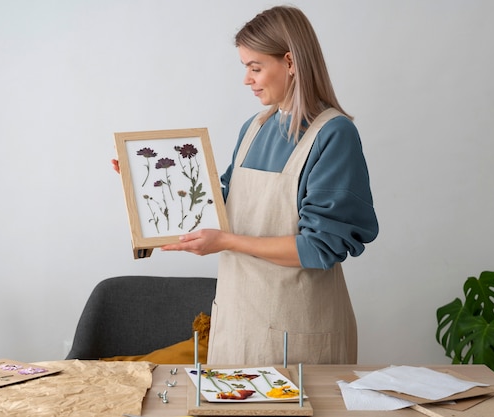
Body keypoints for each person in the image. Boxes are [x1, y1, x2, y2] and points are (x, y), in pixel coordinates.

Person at [113, 5, 378, 365]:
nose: (247, 80)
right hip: (237, 324)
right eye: (246, 69)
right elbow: (220, 203)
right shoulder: (255, 127)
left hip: (298, 331)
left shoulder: (334, 135)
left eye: (255, 68)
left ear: (290, 62)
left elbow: (319, 247)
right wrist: (151, 185)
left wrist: (225, 242)